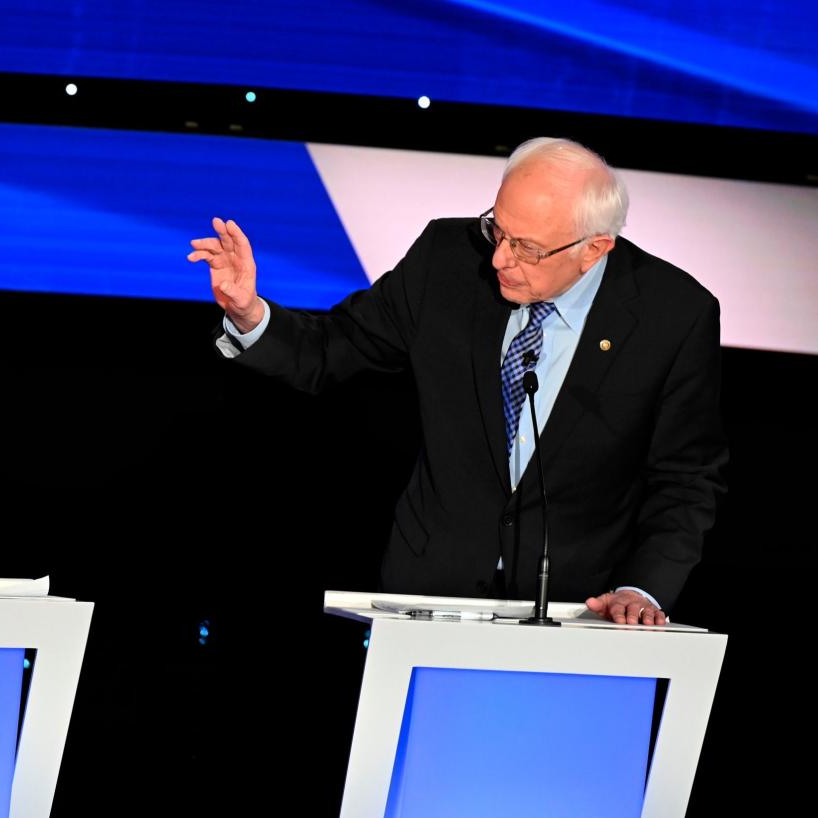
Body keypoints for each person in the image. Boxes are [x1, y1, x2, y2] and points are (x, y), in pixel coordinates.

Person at [188, 138, 727, 625]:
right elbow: (334, 348)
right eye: (498, 229)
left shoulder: (673, 316)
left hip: (580, 606)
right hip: (431, 591)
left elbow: (687, 479)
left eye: (527, 248)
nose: (499, 258)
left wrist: (642, 589)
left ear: (594, 248)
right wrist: (249, 312)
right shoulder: (446, 261)